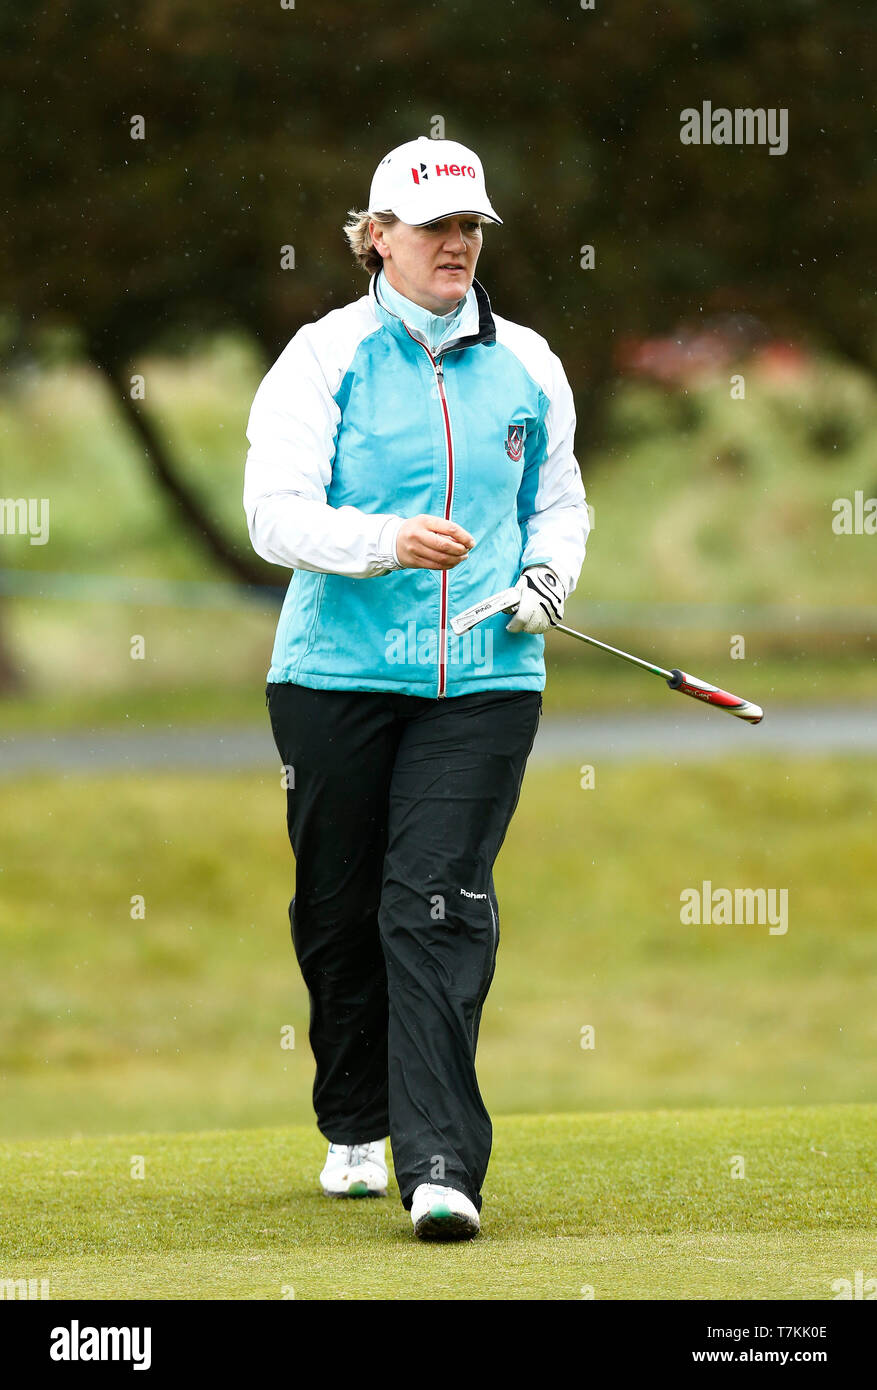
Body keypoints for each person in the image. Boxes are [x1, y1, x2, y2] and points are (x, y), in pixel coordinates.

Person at [243, 135, 589, 1241]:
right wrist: (385, 540)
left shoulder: (528, 361)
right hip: (332, 676)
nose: (456, 245)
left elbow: (560, 503)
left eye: (470, 227)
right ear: (376, 236)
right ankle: (353, 1118)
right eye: (434, 227)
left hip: (484, 678)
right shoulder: (321, 356)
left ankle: (439, 1162)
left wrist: (545, 578)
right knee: (338, 912)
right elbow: (275, 514)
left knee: (435, 903)